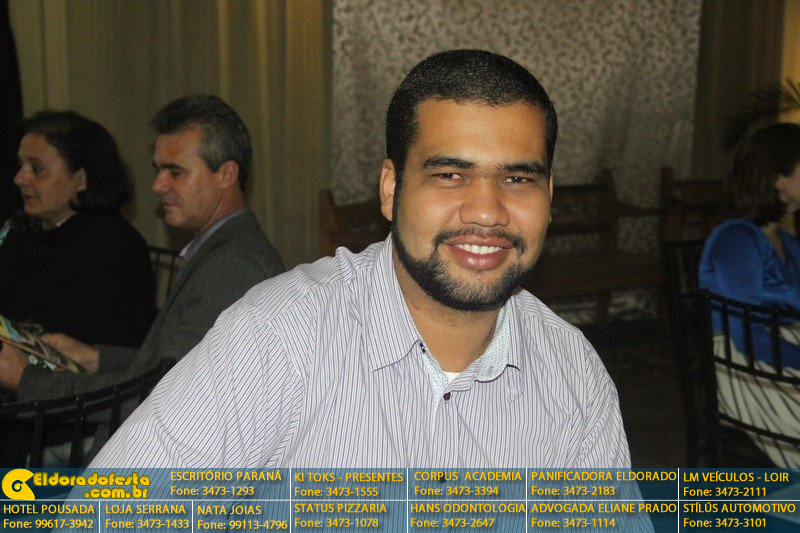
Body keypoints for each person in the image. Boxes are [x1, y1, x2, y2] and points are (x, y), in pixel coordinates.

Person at [91, 51, 632, 469]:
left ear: (549, 195)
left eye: (517, 178)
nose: (488, 212)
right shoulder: (282, 336)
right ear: (391, 189)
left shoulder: (573, 373)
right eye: (449, 175)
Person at [1, 95, 285, 405]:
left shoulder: (234, 266)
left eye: (175, 172)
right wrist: (96, 357)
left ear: (226, 175)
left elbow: (162, 397)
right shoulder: (223, 249)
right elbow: (173, 364)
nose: (157, 185)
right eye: (158, 170)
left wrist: (28, 381)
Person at [0, 111, 156, 392]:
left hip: (73, 399)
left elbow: (52, 346)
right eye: (21, 165)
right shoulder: (23, 229)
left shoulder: (113, 248)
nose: (19, 178)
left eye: (36, 168)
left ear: (82, 179)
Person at [699, 122, 800, 467]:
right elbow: (748, 335)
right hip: (745, 366)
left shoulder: (787, 243)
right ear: (778, 178)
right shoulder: (736, 240)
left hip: (778, 353)